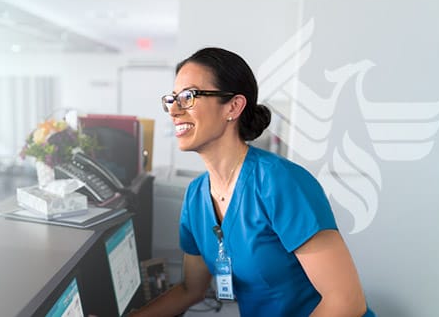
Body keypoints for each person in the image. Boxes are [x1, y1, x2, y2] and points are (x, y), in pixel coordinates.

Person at [131, 47, 375, 317]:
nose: (174, 110)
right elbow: (191, 289)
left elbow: (346, 301)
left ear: (233, 107)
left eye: (189, 96)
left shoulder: (279, 182)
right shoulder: (195, 195)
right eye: (173, 99)